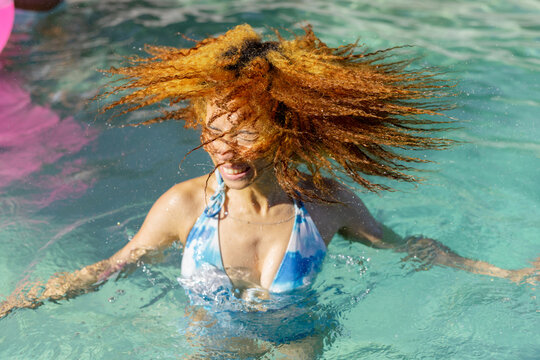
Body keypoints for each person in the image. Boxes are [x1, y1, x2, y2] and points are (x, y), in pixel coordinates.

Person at [1, 24, 537, 350]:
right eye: (214, 132)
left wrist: (505, 274)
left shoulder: (326, 205)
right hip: (211, 343)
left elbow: (406, 248)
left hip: (299, 343)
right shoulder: (185, 205)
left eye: (246, 134)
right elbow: (111, 266)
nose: (225, 150)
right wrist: (15, 304)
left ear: (287, 131)